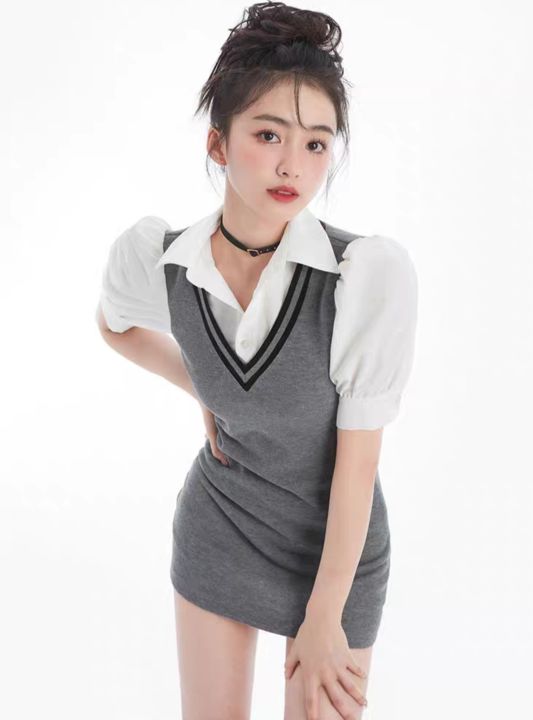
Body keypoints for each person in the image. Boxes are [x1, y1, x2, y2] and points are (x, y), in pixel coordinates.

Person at [96, 2, 418, 718]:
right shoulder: (163, 261)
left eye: (316, 143)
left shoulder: (363, 275)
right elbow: (114, 326)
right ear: (218, 143)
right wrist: (203, 390)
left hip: (336, 552)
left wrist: (325, 614)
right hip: (221, 525)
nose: (292, 165)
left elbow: (357, 463)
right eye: (269, 134)